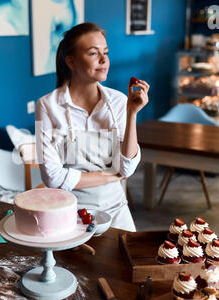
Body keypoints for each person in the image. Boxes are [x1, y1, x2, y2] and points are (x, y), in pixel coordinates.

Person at [35, 22, 149, 232]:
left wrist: (132, 113)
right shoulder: (48, 106)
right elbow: (53, 178)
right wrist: (110, 176)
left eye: (105, 52)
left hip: (116, 210)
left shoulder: (118, 101)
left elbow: (127, 168)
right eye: (93, 53)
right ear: (71, 61)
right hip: (70, 212)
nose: (104, 60)